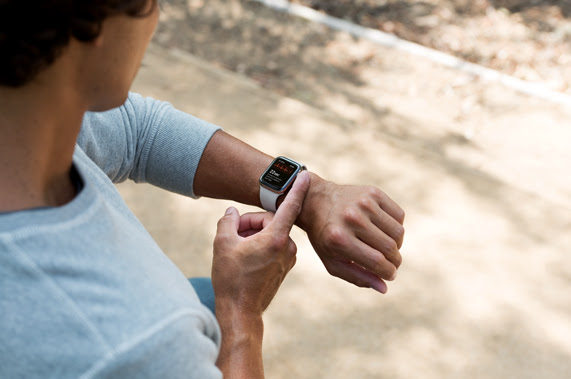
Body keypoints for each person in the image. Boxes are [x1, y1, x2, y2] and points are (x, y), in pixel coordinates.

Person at [0, 0, 405, 377]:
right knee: (213, 305)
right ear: (94, 29)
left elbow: (136, 131)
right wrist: (240, 312)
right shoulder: (134, 344)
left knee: (203, 298)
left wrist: (310, 194)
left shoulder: (28, 112)